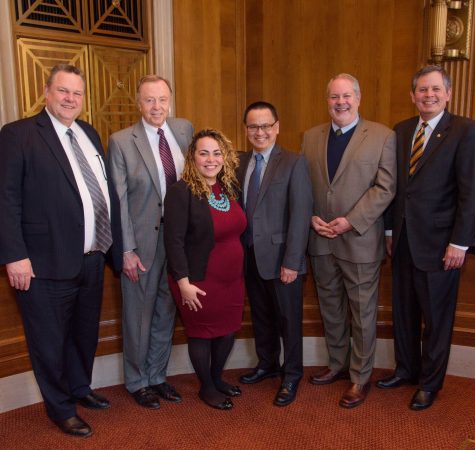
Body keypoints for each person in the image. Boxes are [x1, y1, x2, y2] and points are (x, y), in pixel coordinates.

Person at [0, 64, 122, 437]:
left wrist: (114, 251)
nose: (70, 99)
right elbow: (5, 199)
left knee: (84, 334)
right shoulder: (18, 134)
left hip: (90, 257)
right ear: (46, 91)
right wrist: (14, 255)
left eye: (77, 93)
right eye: (63, 91)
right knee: (49, 341)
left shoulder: (88, 132)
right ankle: (60, 407)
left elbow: (101, 191)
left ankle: (79, 388)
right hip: (42, 263)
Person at [376, 65, 475, 410]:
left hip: (441, 245)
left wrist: (460, 242)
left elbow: (470, 191)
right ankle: (406, 370)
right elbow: (395, 188)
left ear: (448, 93)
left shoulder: (464, 130)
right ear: (412, 95)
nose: (428, 95)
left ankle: (430, 383)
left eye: (435, 89)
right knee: (403, 312)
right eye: (421, 90)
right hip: (402, 240)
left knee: (436, 319)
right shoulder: (402, 130)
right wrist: (388, 229)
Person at [302, 73, 396, 408]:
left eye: (346, 96)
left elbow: (385, 189)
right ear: (326, 100)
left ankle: (359, 377)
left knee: (361, 311)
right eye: (333, 97)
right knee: (331, 309)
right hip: (321, 239)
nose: (340, 102)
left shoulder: (383, 136)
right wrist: (310, 215)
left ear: (358, 97)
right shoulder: (311, 137)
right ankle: (337, 364)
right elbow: (307, 185)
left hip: (358, 239)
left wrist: (350, 221)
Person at [108, 75, 193, 409]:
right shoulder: (121, 141)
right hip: (141, 243)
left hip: (178, 240)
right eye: (149, 100)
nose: (156, 107)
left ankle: (157, 376)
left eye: (162, 99)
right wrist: (125, 250)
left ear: (170, 99)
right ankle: (136, 380)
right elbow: (119, 199)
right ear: (138, 102)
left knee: (165, 310)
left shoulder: (184, 129)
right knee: (138, 314)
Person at [237, 101, 313, 407]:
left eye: (266, 125)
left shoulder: (294, 162)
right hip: (250, 256)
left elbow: (300, 214)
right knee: (261, 316)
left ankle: (292, 373)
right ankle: (267, 364)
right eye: (253, 126)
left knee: (288, 320)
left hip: (283, 259)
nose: (260, 132)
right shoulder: (240, 162)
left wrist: (292, 262)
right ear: (245, 130)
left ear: (277, 127)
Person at [164, 128, 246, 410]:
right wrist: (183, 283)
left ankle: (216, 378)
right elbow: (173, 241)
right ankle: (207, 388)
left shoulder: (229, 187)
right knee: (202, 333)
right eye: (203, 153)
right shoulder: (180, 191)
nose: (211, 159)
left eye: (216, 153)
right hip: (198, 280)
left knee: (227, 331)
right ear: (192, 157)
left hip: (232, 280)